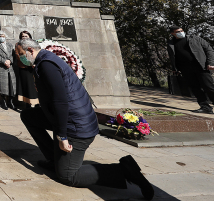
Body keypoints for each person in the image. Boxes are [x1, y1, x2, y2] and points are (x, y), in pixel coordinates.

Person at [16, 38, 154, 200]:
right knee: (28, 116)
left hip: (76, 125)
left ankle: (125, 170)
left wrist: (62, 136)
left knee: (68, 175)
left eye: (20, 54)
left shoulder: (46, 65)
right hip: (68, 117)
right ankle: (54, 160)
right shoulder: (44, 60)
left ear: (31, 50)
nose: (19, 58)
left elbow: (60, 102)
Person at [167, 26, 214, 114]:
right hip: (186, 69)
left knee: (209, 87)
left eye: (181, 30)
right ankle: (205, 107)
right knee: (195, 88)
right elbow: (172, 57)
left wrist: (210, 63)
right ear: (172, 33)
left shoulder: (194, 39)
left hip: (201, 67)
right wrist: (174, 68)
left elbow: (209, 49)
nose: (180, 32)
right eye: (178, 31)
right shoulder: (171, 43)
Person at [0, 30, 16, 110]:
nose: (1, 37)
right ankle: (3, 101)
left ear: (5, 36)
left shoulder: (9, 45)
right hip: (1, 68)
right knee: (2, 85)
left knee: (11, 85)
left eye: (3, 36)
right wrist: (4, 61)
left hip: (10, 67)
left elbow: (13, 54)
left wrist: (10, 61)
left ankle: (11, 101)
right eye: (0, 36)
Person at [14, 30, 38, 108]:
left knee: (36, 86)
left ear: (29, 37)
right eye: (23, 36)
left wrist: (36, 63)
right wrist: (30, 63)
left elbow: (37, 53)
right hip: (24, 68)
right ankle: (28, 103)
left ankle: (37, 103)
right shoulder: (18, 45)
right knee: (27, 86)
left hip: (34, 68)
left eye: (26, 36)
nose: (24, 37)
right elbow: (18, 56)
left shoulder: (34, 44)